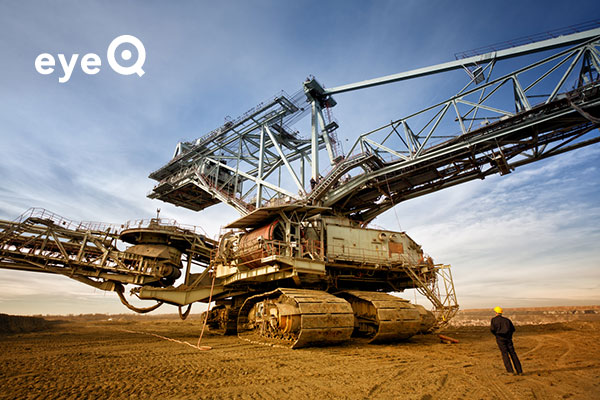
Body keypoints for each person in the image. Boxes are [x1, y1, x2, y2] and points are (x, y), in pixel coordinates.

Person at [490, 306, 523, 375]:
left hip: (500, 339)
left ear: (495, 312)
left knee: (505, 354)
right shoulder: (507, 320)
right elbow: (513, 329)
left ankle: (510, 371)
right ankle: (519, 370)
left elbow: (492, 330)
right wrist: (509, 336)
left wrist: (497, 335)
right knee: (513, 353)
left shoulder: (494, 320)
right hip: (508, 339)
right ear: (501, 313)